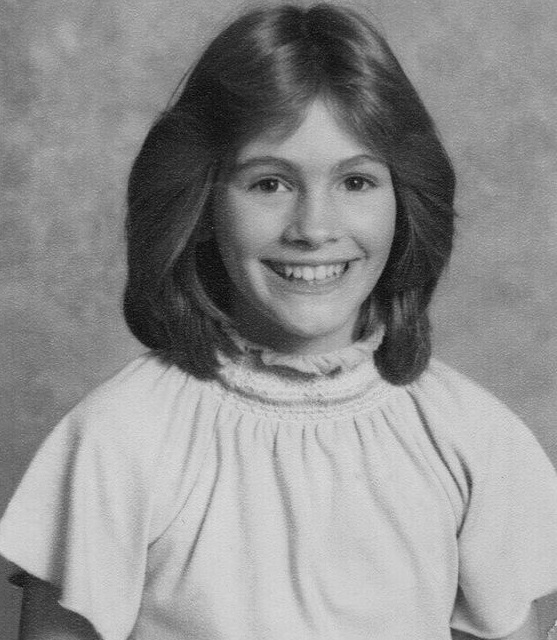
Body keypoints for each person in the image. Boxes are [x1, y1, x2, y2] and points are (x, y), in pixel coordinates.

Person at [1, 3, 557, 639]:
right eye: (269, 183)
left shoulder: (470, 437)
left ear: (404, 204)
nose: (314, 229)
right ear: (202, 205)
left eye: (356, 182)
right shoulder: (118, 438)